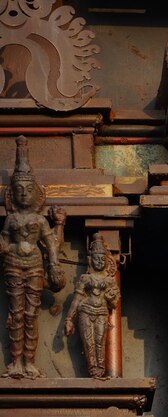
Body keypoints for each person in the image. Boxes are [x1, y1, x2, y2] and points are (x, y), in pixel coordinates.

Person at [1, 135, 65, 379]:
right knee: (16, 315)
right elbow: (5, 240)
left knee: (31, 315)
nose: (24, 194)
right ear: (12, 194)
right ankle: (15, 362)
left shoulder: (39, 220)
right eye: (19, 190)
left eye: (29, 190)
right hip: (14, 266)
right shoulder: (11, 219)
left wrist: (55, 264)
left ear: (37, 193)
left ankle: (29, 362)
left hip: (35, 267)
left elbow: (51, 242)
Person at [64, 233, 119, 379]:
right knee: (88, 343)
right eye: (96, 258)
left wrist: (108, 294)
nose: (100, 262)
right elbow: (76, 299)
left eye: (102, 259)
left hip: (101, 312)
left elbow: (113, 303)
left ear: (107, 261)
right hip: (85, 311)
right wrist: (69, 319)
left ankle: (100, 370)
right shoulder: (85, 278)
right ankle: (92, 370)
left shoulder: (109, 281)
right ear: (90, 260)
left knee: (100, 341)